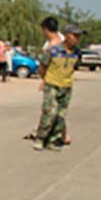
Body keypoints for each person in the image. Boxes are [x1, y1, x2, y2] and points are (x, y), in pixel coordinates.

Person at [33, 23, 79, 151]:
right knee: (50, 113)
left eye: (78, 36)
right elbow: (42, 67)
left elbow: (73, 68)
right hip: (52, 85)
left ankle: (53, 140)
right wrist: (45, 80)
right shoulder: (53, 51)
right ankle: (40, 137)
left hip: (66, 86)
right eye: (75, 35)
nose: (77, 38)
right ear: (67, 36)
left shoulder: (76, 53)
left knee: (60, 115)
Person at [40, 17, 71, 146]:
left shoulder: (52, 45)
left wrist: (43, 79)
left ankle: (48, 136)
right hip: (64, 80)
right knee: (58, 110)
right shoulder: (63, 40)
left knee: (51, 109)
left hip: (55, 80)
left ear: (46, 30)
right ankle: (63, 135)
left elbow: (44, 65)